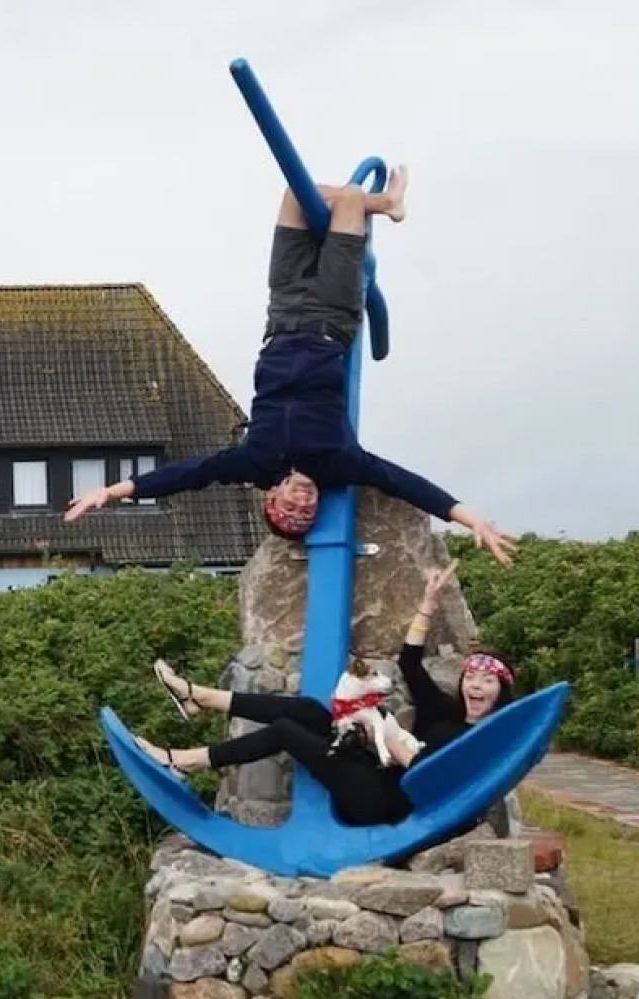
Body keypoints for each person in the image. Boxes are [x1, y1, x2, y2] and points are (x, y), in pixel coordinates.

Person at [64, 169, 517, 566]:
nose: (303, 499)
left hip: (281, 316)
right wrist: (467, 516)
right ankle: (380, 204)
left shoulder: (253, 461)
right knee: (351, 199)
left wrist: (110, 492)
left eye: (292, 505)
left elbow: (184, 475)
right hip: (331, 317)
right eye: (307, 508)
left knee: (296, 195)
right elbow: (404, 483)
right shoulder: (339, 460)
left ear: (271, 494)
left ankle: (386, 204)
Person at [132, 562, 518, 828]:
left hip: (381, 804)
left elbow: (448, 792)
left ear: (501, 691)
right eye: (472, 677)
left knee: (286, 731)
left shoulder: (487, 744)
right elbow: (411, 662)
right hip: (371, 773)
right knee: (309, 709)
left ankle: (184, 761)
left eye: (487, 682)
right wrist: (428, 605)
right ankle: (201, 697)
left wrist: (402, 751)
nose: (475, 687)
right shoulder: (443, 714)